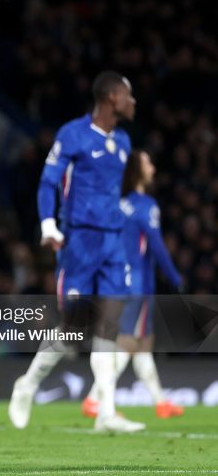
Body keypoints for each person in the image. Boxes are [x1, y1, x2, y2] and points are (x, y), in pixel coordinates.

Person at [8, 71, 146, 433]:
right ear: (111, 99)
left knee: (111, 321)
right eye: (128, 96)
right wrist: (48, 225)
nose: (133, 102)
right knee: (72, 327)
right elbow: (49, 181)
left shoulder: (125, 142)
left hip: (112, 241)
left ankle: (106, 412)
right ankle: (27, 384)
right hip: (79, 241)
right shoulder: (72, 134)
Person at [81, 150, 184, 419]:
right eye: (149, 162)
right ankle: (94, 398)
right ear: (138, 170)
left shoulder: (118, 205)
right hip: (138, 283)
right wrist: (174, 277)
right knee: (128, 342)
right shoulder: (145, 205)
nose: (153, 167)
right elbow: (157, 246)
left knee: (141, 343)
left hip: (116, 280)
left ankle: (160, 402)